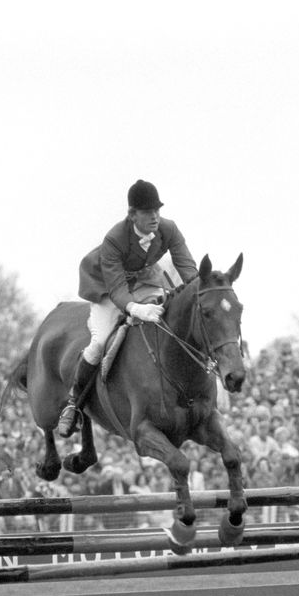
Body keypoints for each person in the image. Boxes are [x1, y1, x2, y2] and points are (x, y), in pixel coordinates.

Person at [58, 179, 198, 435]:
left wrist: (199, 290)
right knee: (99, 342)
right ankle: (73, 404)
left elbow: (187, 268)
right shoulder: (114, 239)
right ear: (132, 214)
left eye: (157, 211)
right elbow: (118, 289)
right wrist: (135, 308)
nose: (154, 217)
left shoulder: (169, 229)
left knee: (169, 316)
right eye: (147, 212)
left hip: (144, 278)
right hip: (106, 286)